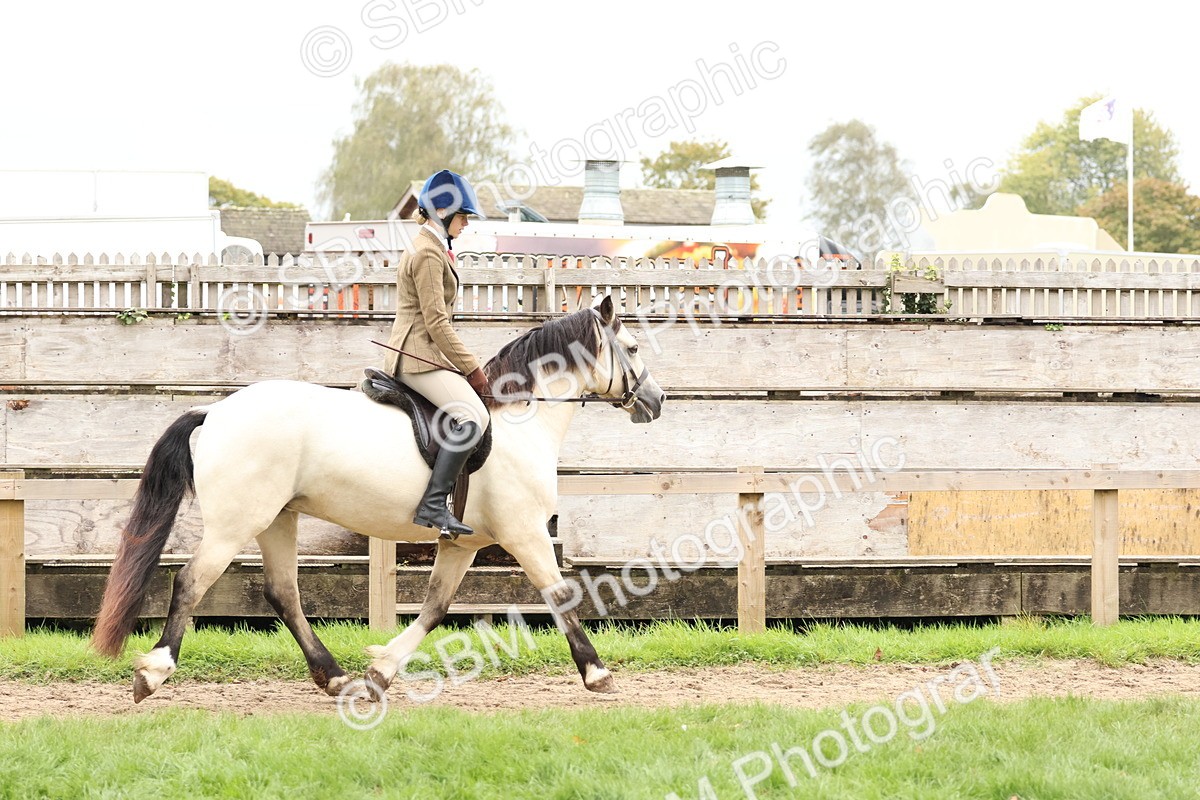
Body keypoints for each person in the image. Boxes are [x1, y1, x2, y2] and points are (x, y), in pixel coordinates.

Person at [382, 169, 491, 537]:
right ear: (443, 212)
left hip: (418, 351)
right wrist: (473, 369)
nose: (465, 224)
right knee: (472, 415)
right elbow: (436, 323)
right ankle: (433, 504)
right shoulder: (427, 252)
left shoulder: (425, 245)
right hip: (416, 355)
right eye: (463, 216)